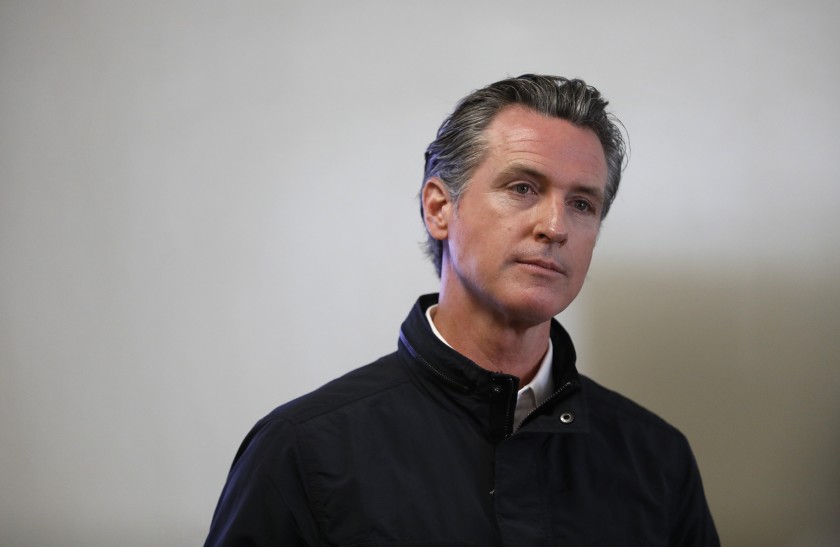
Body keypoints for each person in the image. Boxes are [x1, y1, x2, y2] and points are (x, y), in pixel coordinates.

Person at [204, 74, 720, 546]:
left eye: (582, 203)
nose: (556, 226)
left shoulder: (657, 459)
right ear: (438, 208)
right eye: (523, 188)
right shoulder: (303, 450)